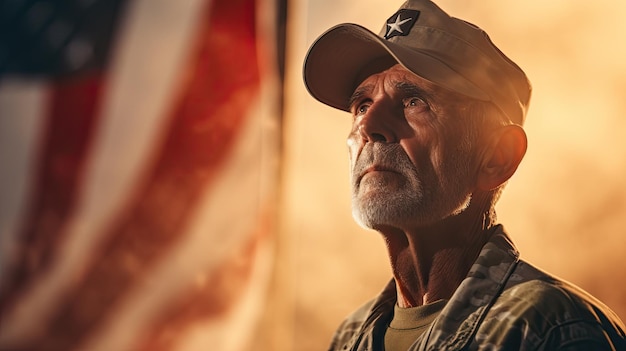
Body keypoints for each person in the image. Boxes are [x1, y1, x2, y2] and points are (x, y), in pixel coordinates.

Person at [302, 0, 626, 350]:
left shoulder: (551, 327)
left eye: (413, 101)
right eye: (362, 105)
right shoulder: (350, 337)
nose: (367, 125)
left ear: (497, 158)